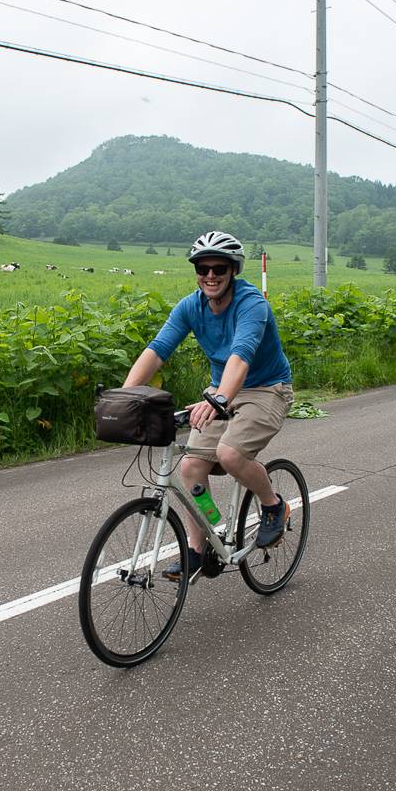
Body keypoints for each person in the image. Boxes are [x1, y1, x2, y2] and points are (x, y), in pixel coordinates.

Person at [122, 230, 294, 581]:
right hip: (221, 390)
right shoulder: (191, 306)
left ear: (233, 271)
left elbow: (240, 356)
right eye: (203, 268)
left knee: (230, 455)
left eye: (219, 268)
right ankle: (201, 546)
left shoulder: (251, 304)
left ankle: (274, 505)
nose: (210, 276)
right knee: (190, 469)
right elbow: (158, 349)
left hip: (266, 388)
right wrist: (125, 395)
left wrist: (218, 400)